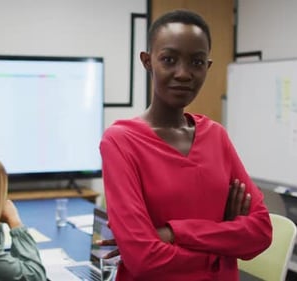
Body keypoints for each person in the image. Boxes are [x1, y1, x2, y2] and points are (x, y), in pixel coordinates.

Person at [99, 9, 272, 281]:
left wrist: (173, 233)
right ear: (147, 61)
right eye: (169, 59)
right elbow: (144, 259)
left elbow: (261, 232)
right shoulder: (121, 141)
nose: (183, 74)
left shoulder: (216, 136)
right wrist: (225, 242)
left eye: (197, 62)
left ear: (208, 66)